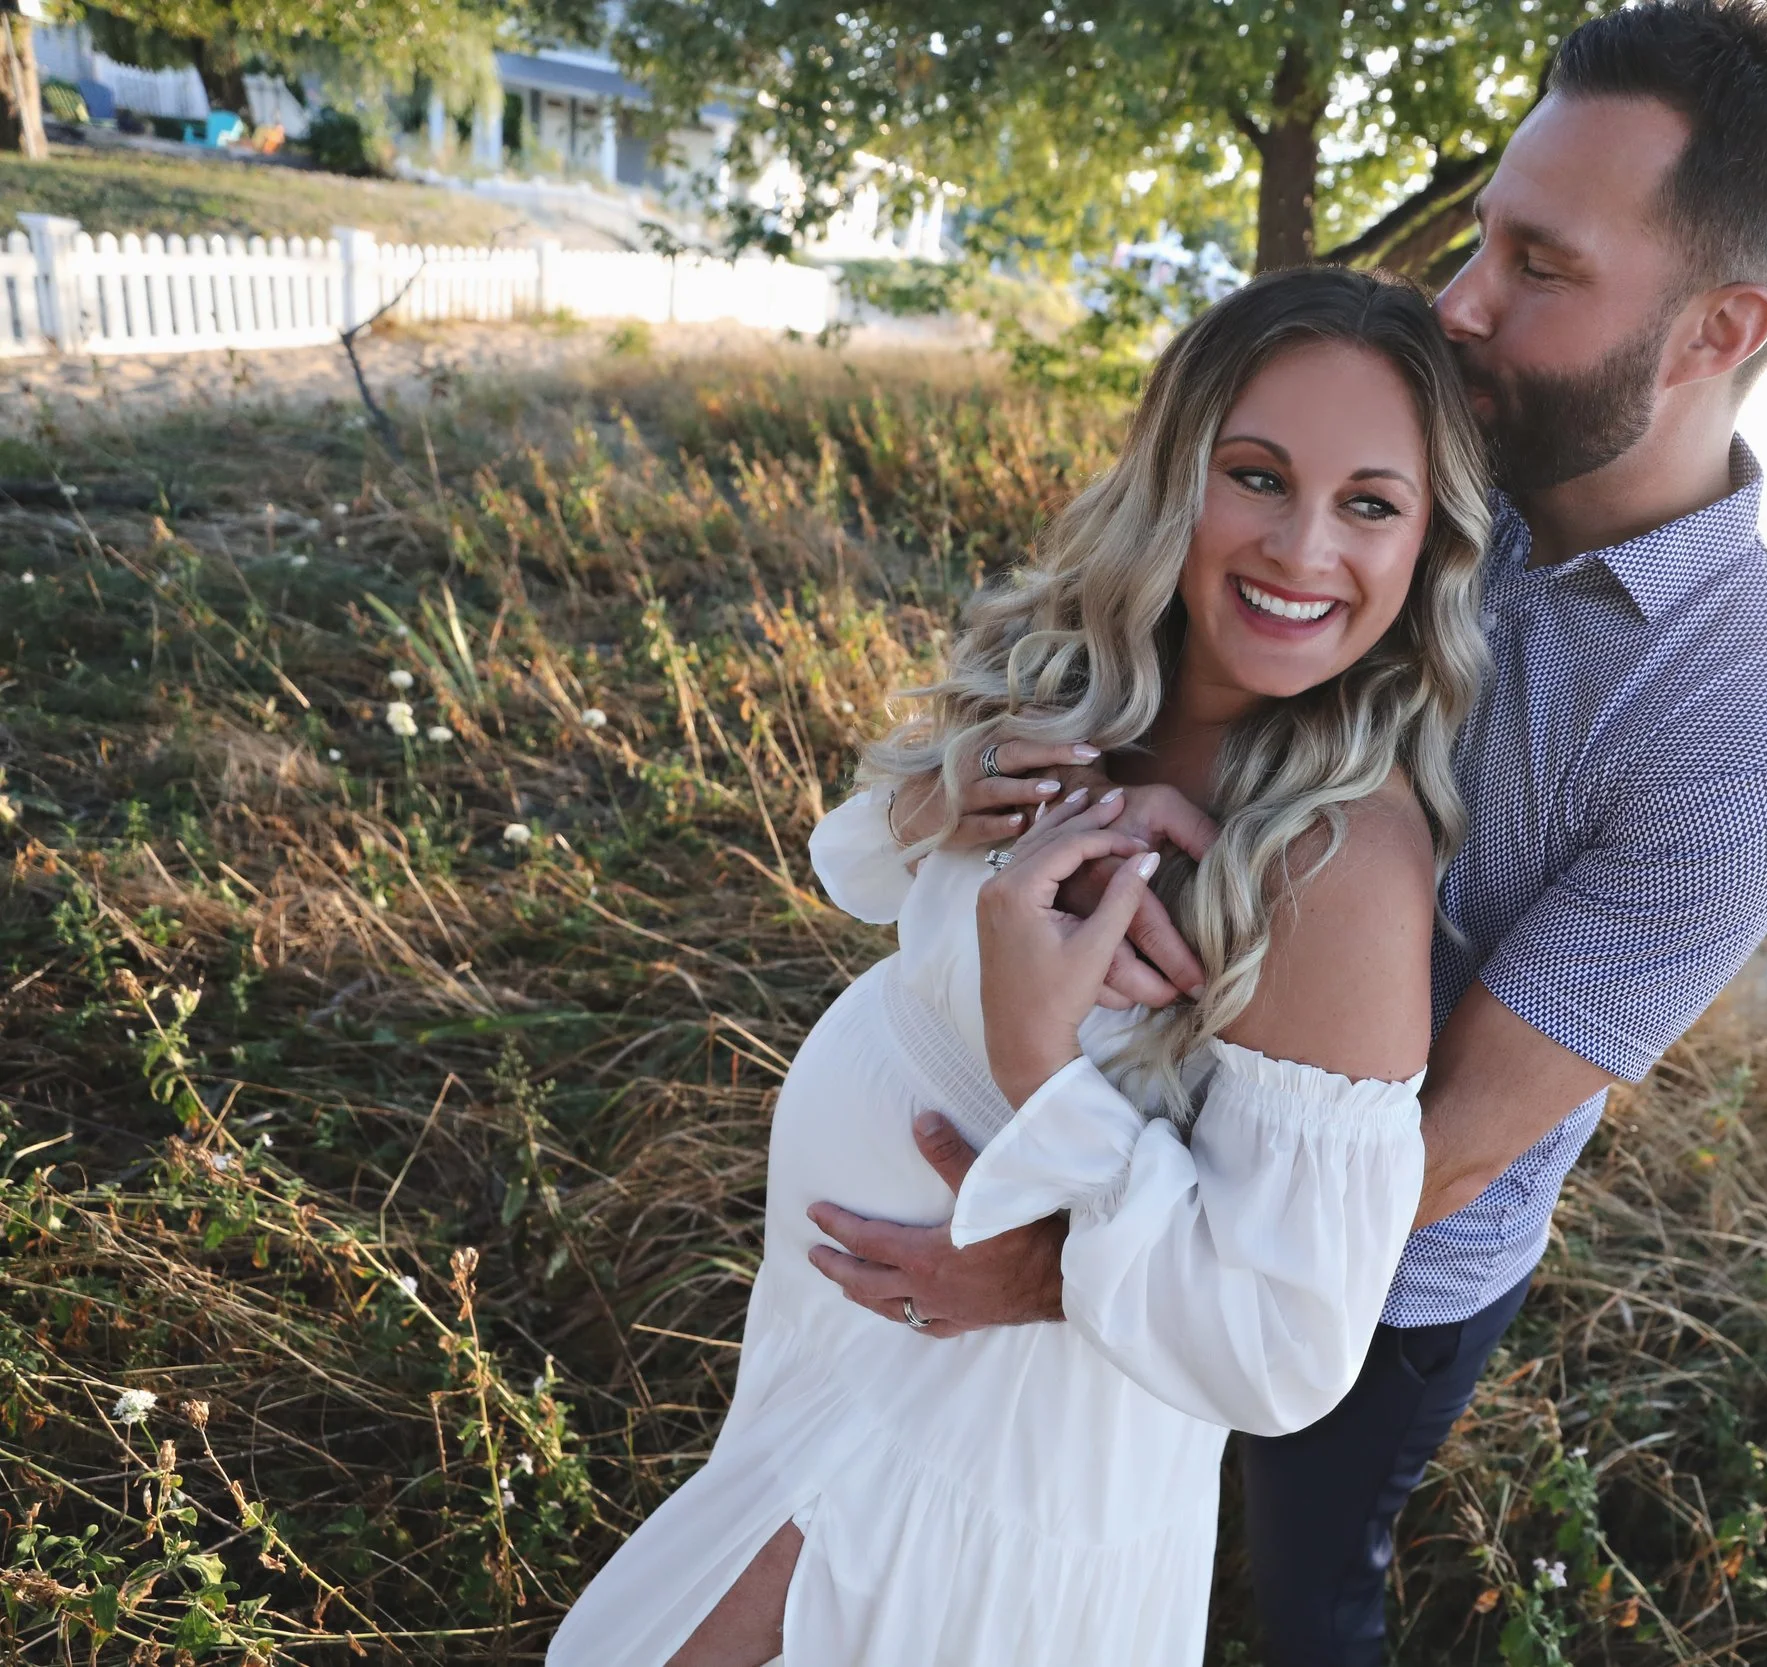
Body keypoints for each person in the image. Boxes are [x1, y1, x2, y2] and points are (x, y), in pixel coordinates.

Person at [803, 3, 1767, 1662]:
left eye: (1538, 263)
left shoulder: (1750, 742)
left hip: (1362, 1281)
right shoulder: (1425, 447)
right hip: (1118, 1103)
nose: (1463, 300)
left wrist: (1063, 1268)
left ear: (1716, 326)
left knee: (1298, 1592)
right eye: (1484, 234)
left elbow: (1453, 1143)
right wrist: (1011, 764)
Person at [548, 264, 1494, 1667]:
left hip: (996, 1451)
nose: (1304, 548)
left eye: (1370, 502)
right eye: (1255, 475)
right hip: (838, 1354)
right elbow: (857, 869)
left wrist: (1038, 1061)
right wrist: (945, 792)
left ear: (1428, 545)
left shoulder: (1337, 862)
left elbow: (1285, 1350)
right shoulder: (1071, 675)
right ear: (1175, 474)